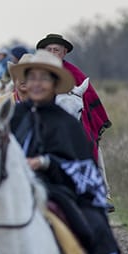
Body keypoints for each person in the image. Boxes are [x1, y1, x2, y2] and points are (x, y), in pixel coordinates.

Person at [9, 50, 128, 254]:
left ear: (54, 84)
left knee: (94, 226)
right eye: (32, 78)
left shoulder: (67, 121)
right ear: (25, 83)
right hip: (15, 189)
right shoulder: (15, 115)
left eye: (45, 78)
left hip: (56, 189)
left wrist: (45, 162)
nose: (38, 83)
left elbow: (82, 166)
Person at [36, 33, 113, 210]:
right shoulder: (36, 72)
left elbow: (87, 96)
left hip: (72, 119)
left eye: (57, 50)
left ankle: (99, 191)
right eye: (49, 50)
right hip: (42, 119)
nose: (53, 53)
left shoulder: (74, 73)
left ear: (64, 53)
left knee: (91, 146)